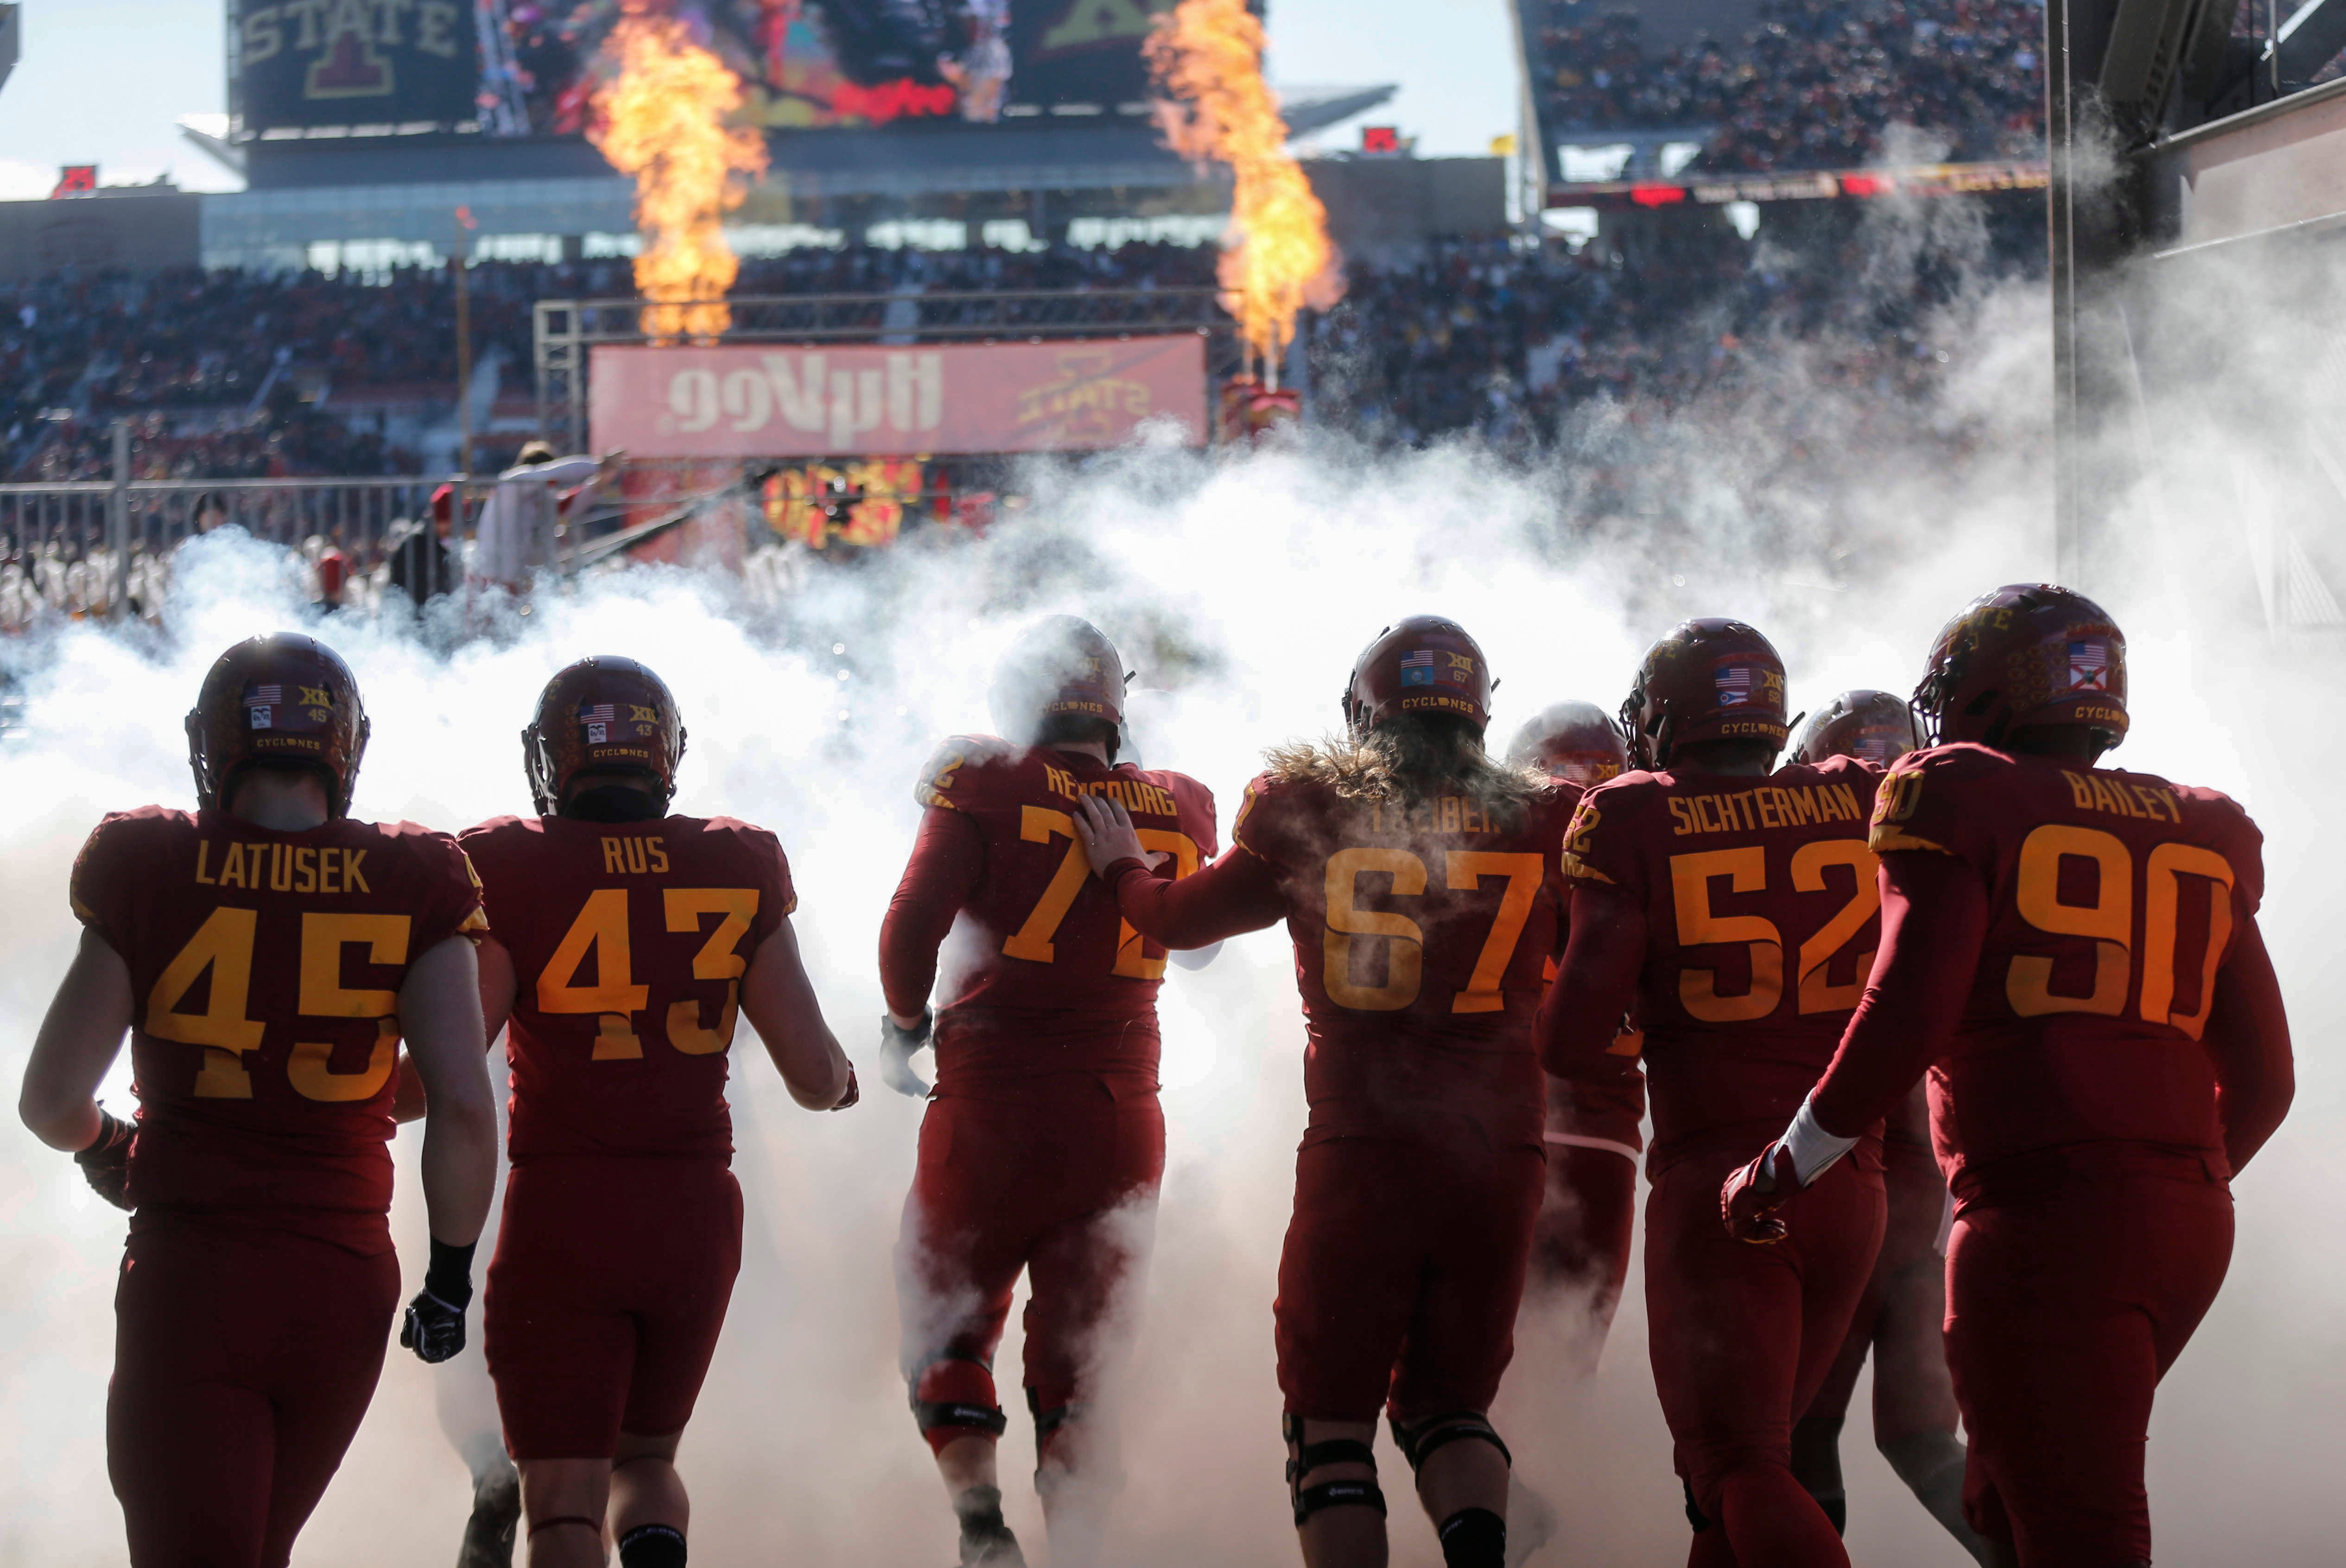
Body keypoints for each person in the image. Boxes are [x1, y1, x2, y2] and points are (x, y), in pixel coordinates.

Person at [1723, 585, 2295, 1567]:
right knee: (2009, 1500)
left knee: (2076, 1528)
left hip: (2041, 1214)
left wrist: (1785, 1165)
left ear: (1986, 688)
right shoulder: (2198, 824)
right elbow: (2267, 1080)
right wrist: (2170, 1185)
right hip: (2188, 1222)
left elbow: (1903, 1017)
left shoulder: (1958, 792)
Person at [1072, 614, 1571, 1568]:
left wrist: (1125, 870)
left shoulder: (1301, 807)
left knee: (1329, 1429)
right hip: (1503, 1149)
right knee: (1447, 1410)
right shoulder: (1549, 816)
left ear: (1361, 711)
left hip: (1366, 1148)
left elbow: (1174, 924)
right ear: (1477, 710)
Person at [18, 632, 500, 1568]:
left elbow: (50, 1101)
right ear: (344, 746)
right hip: (342, 1282)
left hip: (195, 1277)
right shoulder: (415, 879)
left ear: (216, 743)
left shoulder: (151, 861)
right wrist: (449, 1278)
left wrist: (107, 1147)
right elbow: (462, 1105)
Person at [451, 655, 856, 1568]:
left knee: (560, 1505)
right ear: (667, 752)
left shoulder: (504, 863)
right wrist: (843, 1083)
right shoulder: (736, 859)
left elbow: (450, 1063)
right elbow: (812, 1072)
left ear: (551, 757)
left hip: (564, 1208)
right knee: (646, 1462)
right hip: (691, 1212)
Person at [1540, 618, 1886, 1568]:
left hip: (1724, 1185)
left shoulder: (1633, 814)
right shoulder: (1861, 797)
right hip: (1848, 1177)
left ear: (1662, 718)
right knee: (1729, 1494)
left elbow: (1571, 1043)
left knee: (1733, 1465)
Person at [878, 616, 1217, 1568]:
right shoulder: (1180, 800)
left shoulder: (983, 778)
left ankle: (982, 1526)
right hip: (1121, 1115)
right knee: (1081, 1358)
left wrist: (902, 1024)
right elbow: (1204, 946)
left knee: (940, 1315)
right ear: (1115, 701)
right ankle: (1075, 1543)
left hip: (993, 1103)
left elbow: (911, 925)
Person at [1782, 693, 1990, 1563]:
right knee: (1919, 1437)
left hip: (1852, 1166)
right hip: (1942, 1188)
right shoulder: (1964, 839)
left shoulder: (1790, 846)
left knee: (1796, 1433)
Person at [1501, 700, 1643, 1334]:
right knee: (1566, 1371)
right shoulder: (1653, 848)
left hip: (1496, 1128)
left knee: (1463, 1376)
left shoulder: (1492, 848)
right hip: (1605, 1145)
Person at [469, 443, 616, 594]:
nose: (553, 487)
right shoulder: (513, 482)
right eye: (552, 483)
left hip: (513, 576)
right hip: (489, 576)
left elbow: (568, 505)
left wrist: (603, 479)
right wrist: (598, 465)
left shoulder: (537, 495)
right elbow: (552, 473)